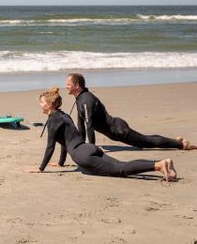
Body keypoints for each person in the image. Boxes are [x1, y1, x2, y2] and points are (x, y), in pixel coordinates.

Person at [25, 88, 177, 181]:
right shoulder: (64, 115)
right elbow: (65, 142)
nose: (40, 105)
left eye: (42, 102)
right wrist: (60, 163)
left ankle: (158, 165)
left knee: (120, 170)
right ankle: (162, 163)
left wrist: (41, 168)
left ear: (50, 105)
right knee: (121, 165)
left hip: (82, 155)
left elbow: (50, 147)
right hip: (89, 148)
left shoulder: (53, 121)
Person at [66, 73, 196, 150]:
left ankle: (180, 144)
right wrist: (81, 146)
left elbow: (89, 127)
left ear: (77, 86)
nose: (66, 86)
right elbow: (81, 125)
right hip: (117, 129)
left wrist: (91, 150)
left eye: (68, 84)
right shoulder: (80, 99)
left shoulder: (85, 101)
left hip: (120, 131)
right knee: (145, 139)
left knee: (147, 142)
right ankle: (176, 140)